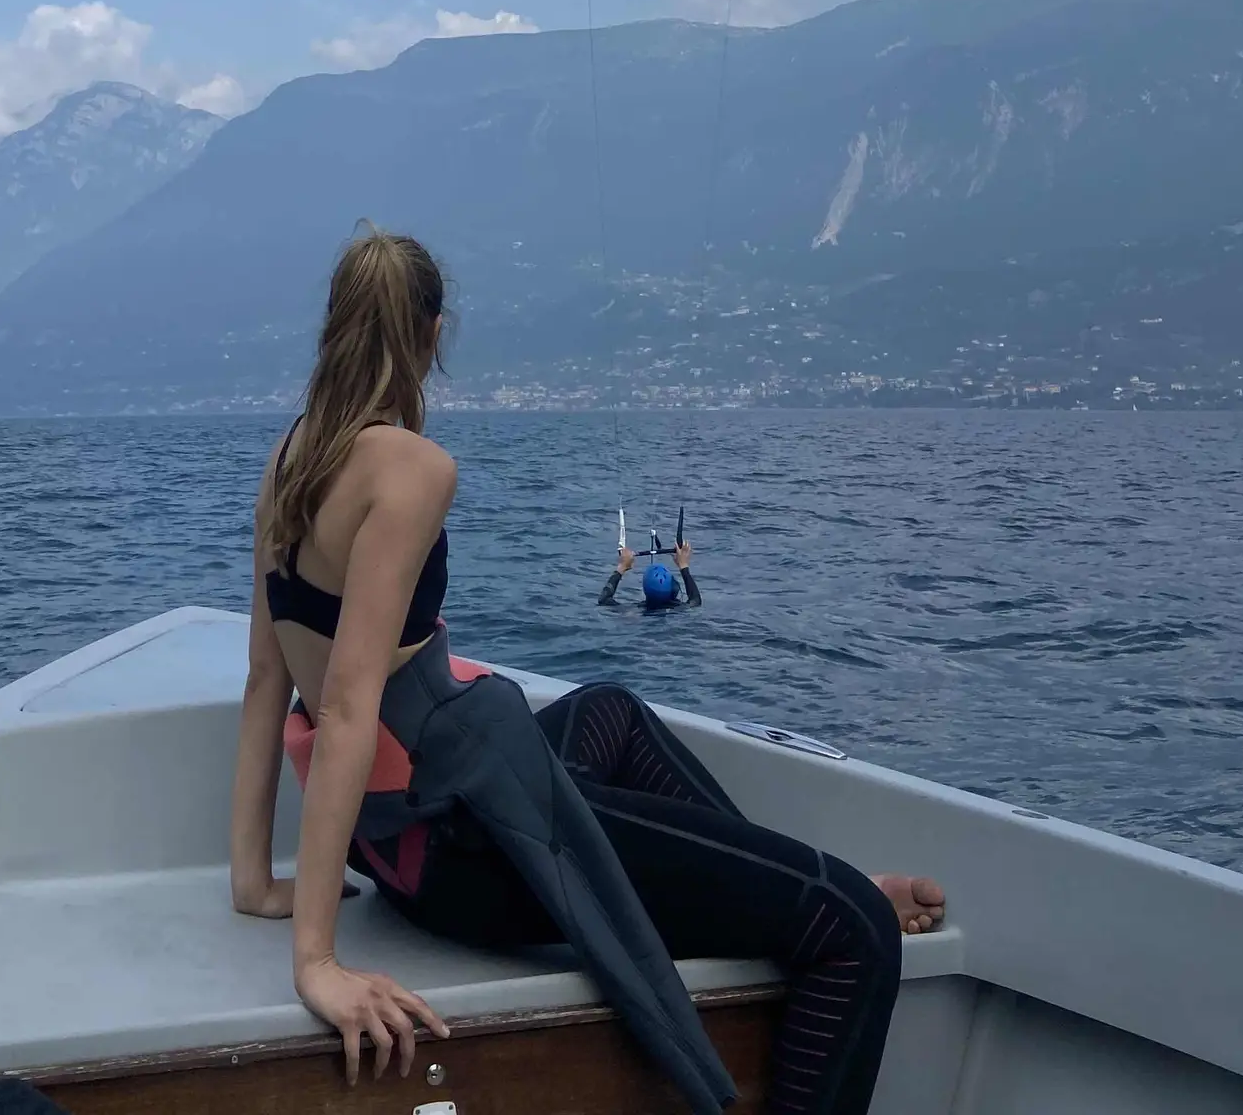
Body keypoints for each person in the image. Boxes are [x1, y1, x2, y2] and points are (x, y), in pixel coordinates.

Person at [230, 226, 945, 1115]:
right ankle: (810, 900)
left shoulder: (289, 460)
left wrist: (256, 883)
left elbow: (266, 681)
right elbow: (346, 710)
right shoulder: (411, 469)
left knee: (609, 710)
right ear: (433, 334)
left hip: (393, 845)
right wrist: (317, 962)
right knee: (856, 930)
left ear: (336, 325)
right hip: (460, 854)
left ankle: (772, 883)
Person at [601, 535, 701, 610]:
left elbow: (603, 600)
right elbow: (696, 600)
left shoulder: (635, 611)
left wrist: (621, 568)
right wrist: (683, 566)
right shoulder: (682, 610)